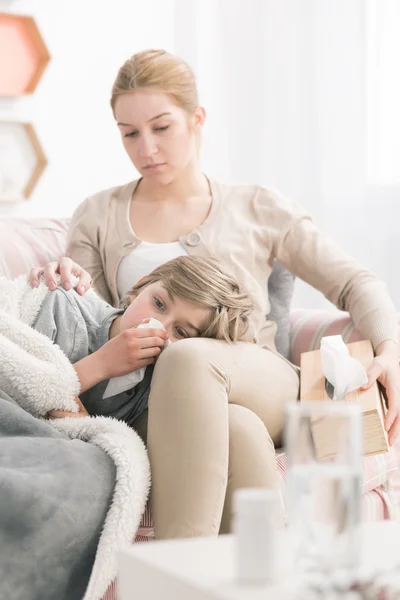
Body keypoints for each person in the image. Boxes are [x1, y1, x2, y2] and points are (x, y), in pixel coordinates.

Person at [30, 49, 400, 540]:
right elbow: (94, 319)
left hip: (260, 381)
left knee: (189, 360)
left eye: (162, 127)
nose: (147, 148)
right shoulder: (97, 214)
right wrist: (63, 279)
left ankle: (175, 582)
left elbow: (357, 282)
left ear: (197, 118)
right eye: (130, 133)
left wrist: (391, 349)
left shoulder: (258, 207)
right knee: (236, 429)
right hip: (155, 403)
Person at [32, 256, 253, 427]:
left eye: (180, 331)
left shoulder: (156, 385)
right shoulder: (63, 307)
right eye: (158, 303)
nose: (156, 323)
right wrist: (100, 365)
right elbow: (20, 389)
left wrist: (85, 426)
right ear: (140, 287)